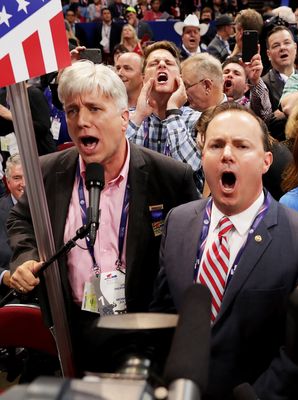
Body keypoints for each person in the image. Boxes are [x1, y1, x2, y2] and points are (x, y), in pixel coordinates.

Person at [7, 60, 199, 374]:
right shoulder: (47, 171)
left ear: (124, 118)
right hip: (70, 327)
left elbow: (190, 248)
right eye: (72, 110)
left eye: (94, 109)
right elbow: (20, 219)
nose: (81, 121)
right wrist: (26, 256)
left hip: (143, 329)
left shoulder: (168, 175)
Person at [151, 102, 298, 399]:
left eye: (241, 146)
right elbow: (163, 315)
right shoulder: (177, 221)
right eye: (216, 145)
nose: (227, 154)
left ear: (266, 161)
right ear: (202, 157)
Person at [128, 41, 202, 191]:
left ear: (179, 78)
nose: (162, 65)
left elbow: (191, 167)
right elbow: (111, 160)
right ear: (143, 78)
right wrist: (138, 116)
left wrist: (173, 111)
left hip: (182, 207)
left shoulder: (197, 120)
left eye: (169, 62)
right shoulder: (128, 118)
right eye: (153, 63)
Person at [262, 25, 298, 141]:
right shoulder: (262, 84)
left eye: (287, 43)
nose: (282, 48)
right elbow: (268, 125)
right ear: (268, 54)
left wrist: (285, 113)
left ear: (295, 48)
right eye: (276, 45)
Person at [0, 155, 25, 297]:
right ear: (8, 183)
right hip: (8, 296)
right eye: (17, 178)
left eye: (28, 176)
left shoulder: (50, 208)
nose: (24, 183)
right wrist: (4, 276)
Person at [221, 56, 272, 123]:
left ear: (246, 87)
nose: (229, 75)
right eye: (226, 72)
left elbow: (265, 114)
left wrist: (255, 81)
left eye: (236, 73)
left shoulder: (251, 109)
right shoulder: (210, 103)